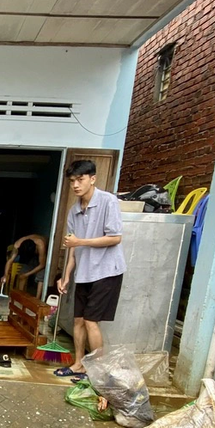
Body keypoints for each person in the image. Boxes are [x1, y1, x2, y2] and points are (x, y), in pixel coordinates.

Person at [53, 160, 126, 380]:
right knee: (78, 320)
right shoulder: (74, 211)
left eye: (80, 179)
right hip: (84, 272)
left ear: (92, 179)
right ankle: (79, 365)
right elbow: (72, 248)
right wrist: (65, 277)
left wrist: (80, 241)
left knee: (91, 320)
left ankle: (98, 371)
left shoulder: (108, 201)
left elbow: (115, 237)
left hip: (106, 271)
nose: (75, 185)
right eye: (72, 181)